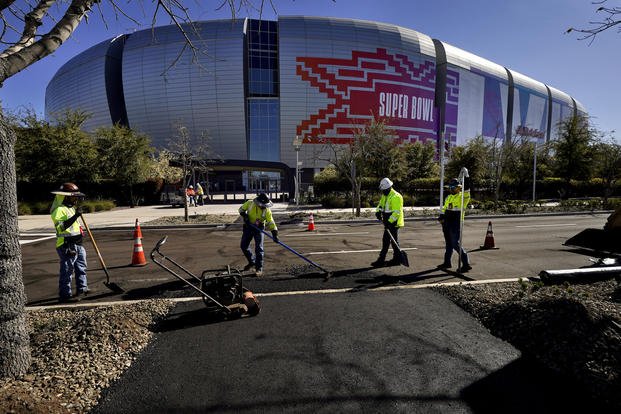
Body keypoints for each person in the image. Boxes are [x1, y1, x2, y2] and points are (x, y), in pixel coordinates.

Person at [50, 182, 88, 303]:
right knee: (67, 271)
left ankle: (82, 288)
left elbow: (75, 227)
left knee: (81, 267)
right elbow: (62, 227)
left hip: (78, 243)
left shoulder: (70, 208)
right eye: (73, 197)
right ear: (65, 197)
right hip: (67, 245)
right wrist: (76, 216)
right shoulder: (59, 210)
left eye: (76, 197)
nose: (75, 199)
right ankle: (65, 295)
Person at [437, 171, 472, 273]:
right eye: (451, 187)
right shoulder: (449, 197)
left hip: (456, 222)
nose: (452, 189)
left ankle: (466, 264)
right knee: (448, 244)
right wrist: (441, 216)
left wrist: (467, 177)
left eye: (454, 187)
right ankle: (447, 262)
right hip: (447, 222)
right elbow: (444, 208)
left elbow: (467, 191)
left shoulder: (462, 198)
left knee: (455, 244)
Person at [239, 193, 279, 276]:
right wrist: (245, 216)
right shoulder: (250, 203)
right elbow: (241, 210)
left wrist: (274, 234)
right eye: (262, 205)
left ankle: (259, 268)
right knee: (244, 246)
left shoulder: (267, 210)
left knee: (259, 248)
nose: (264, 206)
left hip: (259, 228)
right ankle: (252, 262)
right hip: (248, 227)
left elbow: (271, 222)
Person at [371, 177, 404, 267]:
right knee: (389, 241)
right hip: (387, 220)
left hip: (394, 221)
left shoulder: (396, 196)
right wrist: (378, 211)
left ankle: (384, 259)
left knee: (390, 241)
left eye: (384, 190)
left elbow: (396, 212)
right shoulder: (385, 195)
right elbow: (381, 204)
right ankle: (395, 259)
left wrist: (389, 222)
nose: (383, 191)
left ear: (389, 188)